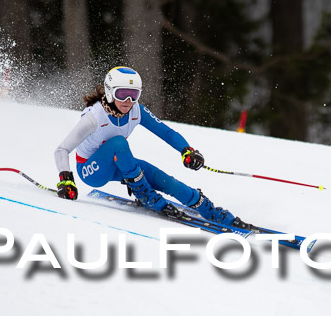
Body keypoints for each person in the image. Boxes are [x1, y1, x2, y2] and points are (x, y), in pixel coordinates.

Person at [54, 66, 249, 227]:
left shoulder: (136, 111)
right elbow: (62, 149)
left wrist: (186, 150)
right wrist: (66, 180)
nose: (128, 101)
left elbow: (166, 132)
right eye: (123, 94)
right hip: (91, 170)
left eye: (134, 95)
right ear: (110, 91)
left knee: (162, 178)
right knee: (119, 143)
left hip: (120, 163)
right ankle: (144, 193)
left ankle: (206, 208)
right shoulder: (94, 117)